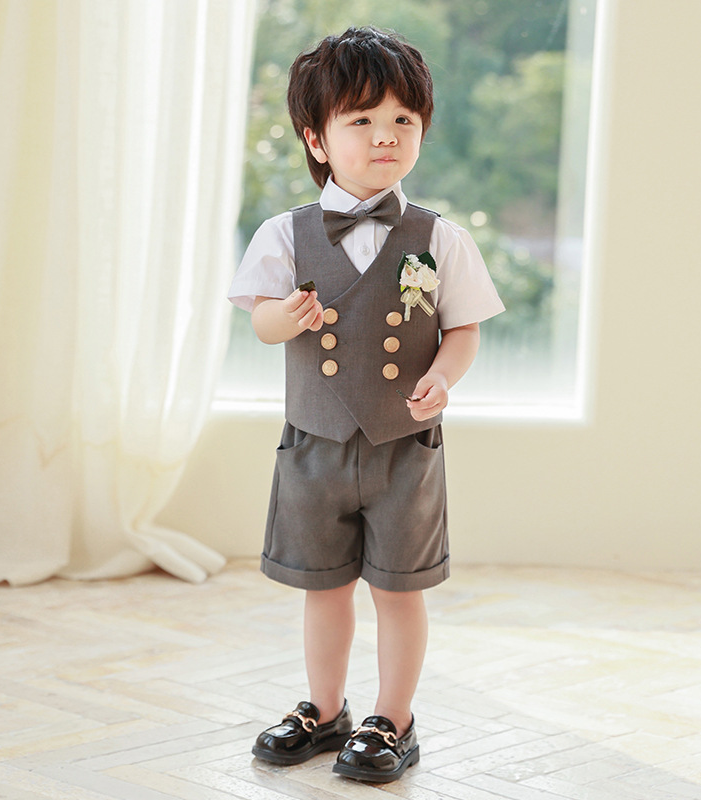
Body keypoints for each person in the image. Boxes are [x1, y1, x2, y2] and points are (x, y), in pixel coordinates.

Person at [228, 26, 504, 783]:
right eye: (361, 120)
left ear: (422, 129)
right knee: (323, 590)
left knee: (399, 589)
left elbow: (464, 328)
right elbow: (260, 322)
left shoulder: (438, 238)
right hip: (315, 444)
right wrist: (289, 317)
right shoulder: (285, 234)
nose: (385, 137)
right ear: (317, 138)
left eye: (403, 122)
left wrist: (446, 375)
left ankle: (394, 718)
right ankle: (324, 708)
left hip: (402, 447)